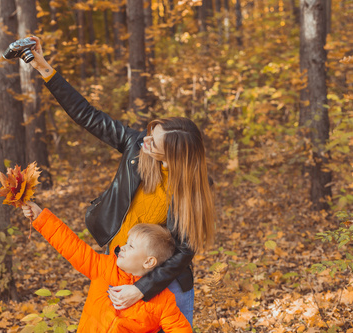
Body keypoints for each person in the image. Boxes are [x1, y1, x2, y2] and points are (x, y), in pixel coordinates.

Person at [26, 36, 215, 327]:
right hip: (117, 267)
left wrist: (141, 289)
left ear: (175, 156)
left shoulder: (191, 188)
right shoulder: (136, 146)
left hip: (164, 282)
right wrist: (46, 70)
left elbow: (183, 252)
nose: (146, 140)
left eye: (156, 141)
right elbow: (88, 116)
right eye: (151, 132)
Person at [22, 202, 193, 333]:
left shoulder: (163, 300)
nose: (123, 247)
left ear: (148, 262)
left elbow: (179, 328)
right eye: (126, 242)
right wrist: (41, 218)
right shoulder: (102, 267)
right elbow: (71, 246)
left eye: (131, 246)